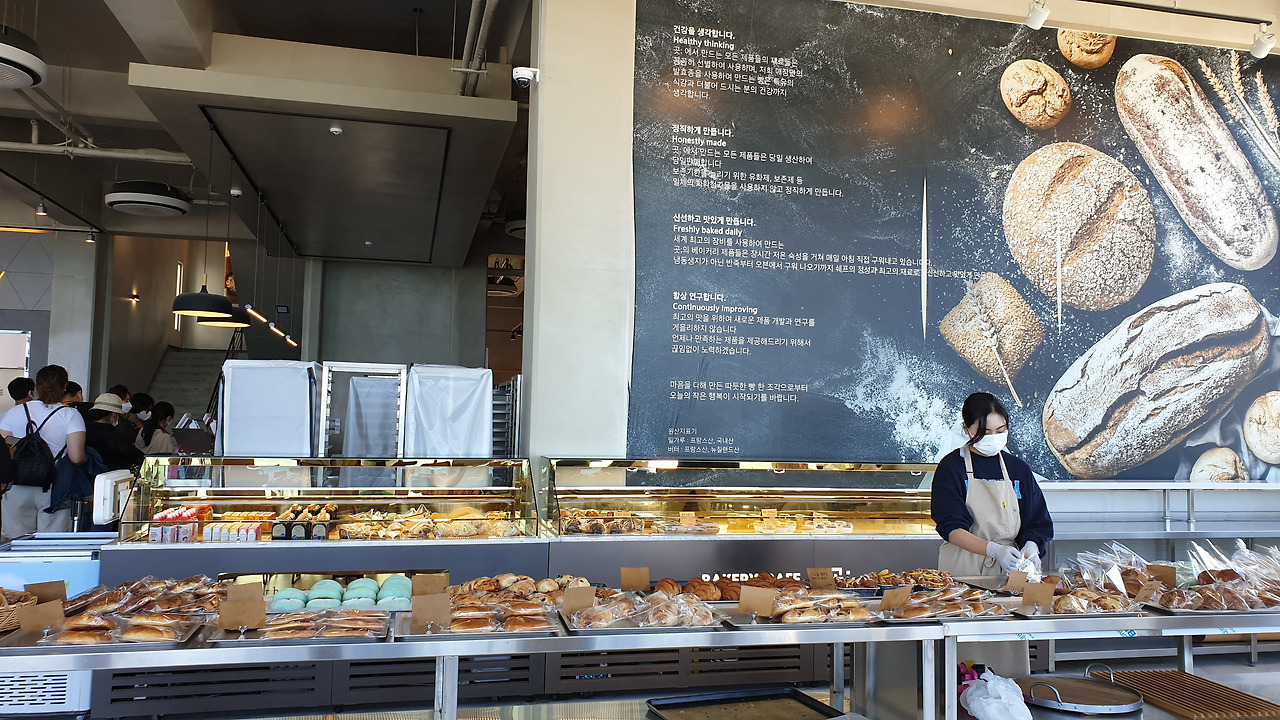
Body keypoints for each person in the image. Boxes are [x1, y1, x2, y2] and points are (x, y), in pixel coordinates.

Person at [931, 392, 1053, 576]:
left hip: (1010, 569)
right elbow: (951, 527)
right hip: (964, 568)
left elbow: (1037, 521)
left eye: (1000, 430)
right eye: (985, 432)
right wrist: (994, 550)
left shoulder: (1017, 469)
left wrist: (1031, 546)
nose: (994, 437)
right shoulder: (952, 468)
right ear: (966, 428)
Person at [0, 365, 86, 538]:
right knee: (51, 543)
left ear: (36, 386)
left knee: (16, 542)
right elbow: (76, 457)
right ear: (64, 386)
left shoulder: (14, 412)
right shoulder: (70, 415)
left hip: (17, 484)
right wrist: (88, 458)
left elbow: (2, 451)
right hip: (55, 486)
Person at [84, 393, 144, 471]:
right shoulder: (114, 436)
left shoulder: (83, 431)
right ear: (114, 415)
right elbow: (137, 457)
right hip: (110, 475)